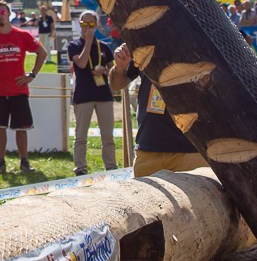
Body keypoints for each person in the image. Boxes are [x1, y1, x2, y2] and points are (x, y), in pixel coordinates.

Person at [108, 41, 205, 177]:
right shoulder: (143, 41)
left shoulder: (200, 40)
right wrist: (120, 67)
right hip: (148, 150)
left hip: (190, 151)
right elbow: (116, 85)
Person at [0, 0, 46, 174]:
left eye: (2, 11)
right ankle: (0, 162)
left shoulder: (21, 35)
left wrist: (31, 75)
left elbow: (42, 52)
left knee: (21, 128)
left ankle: (24, 161)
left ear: (9, 13)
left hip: (18, 89)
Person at [67, 10, 116, 175]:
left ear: (96, 25)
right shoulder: (74, 45)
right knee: (81, 135)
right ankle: (80, 167)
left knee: (108, 135)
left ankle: (111, 167)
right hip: (83, 95)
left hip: (103, 95)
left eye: (91, 24)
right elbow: (81, 63)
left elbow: (114, 71)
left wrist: (105, 70)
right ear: (79, 25)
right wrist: (87, 42)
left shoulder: (104, 47)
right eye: (84, 24)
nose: (87, 28)